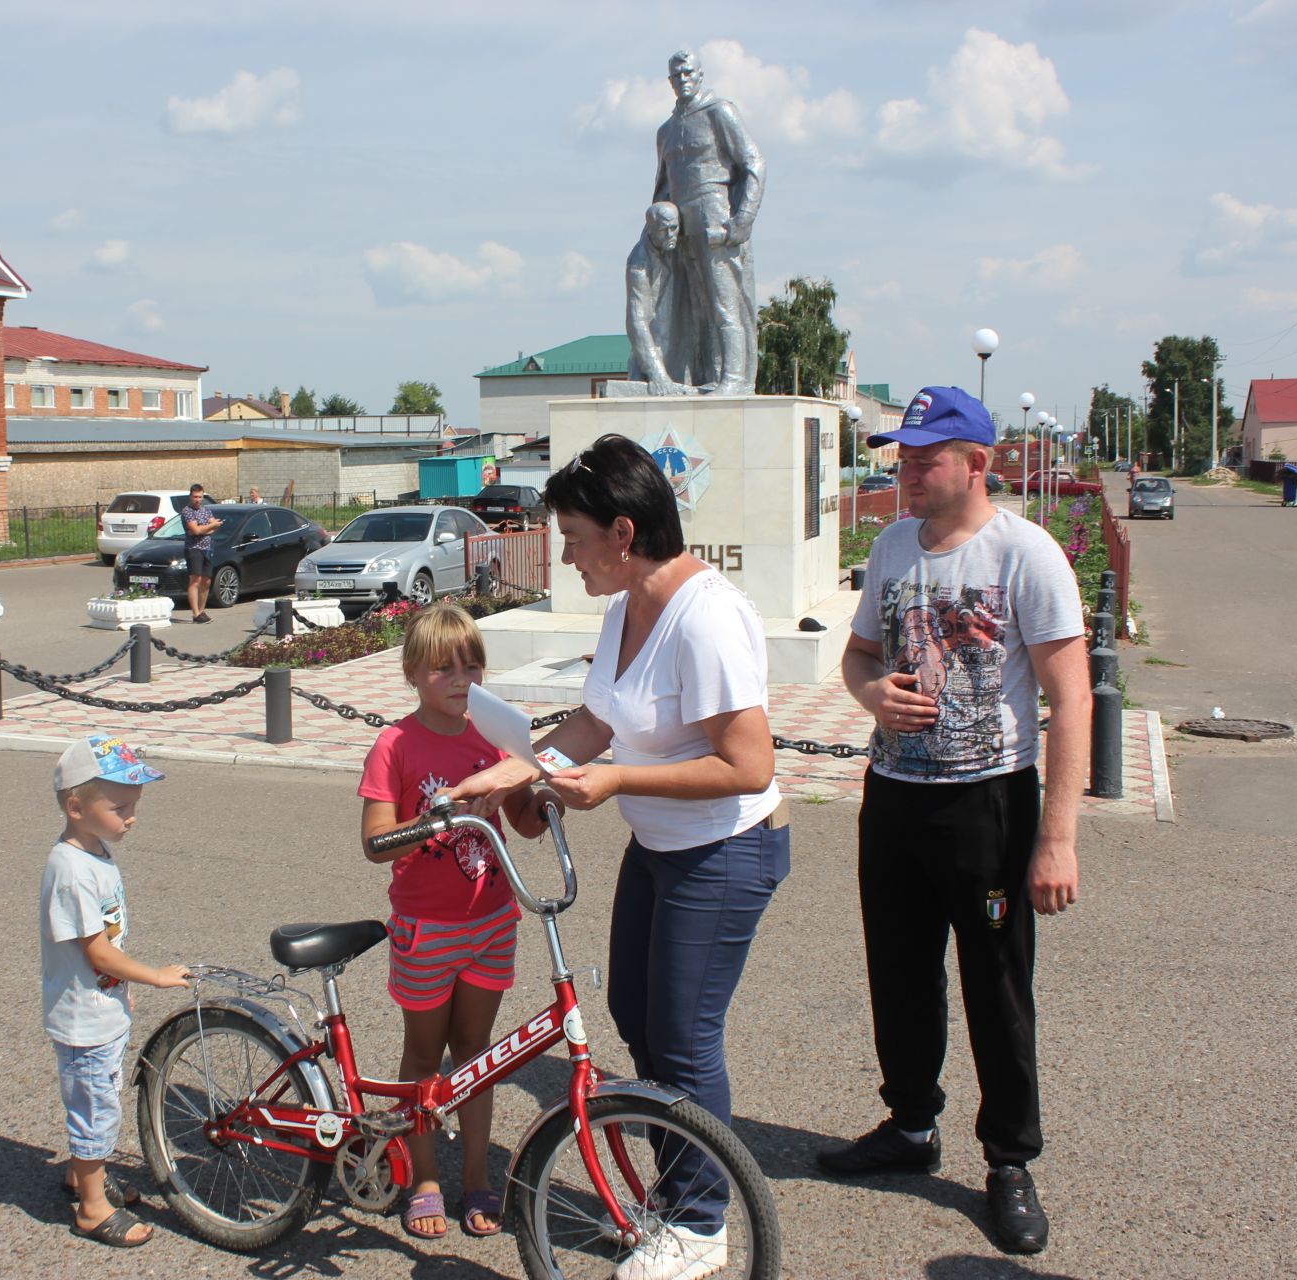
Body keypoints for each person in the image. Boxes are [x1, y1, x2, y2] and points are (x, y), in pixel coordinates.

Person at [449, 433, 786, 1279]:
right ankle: (674, 1200)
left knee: (681, 1035)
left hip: (727, 850)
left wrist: (615, 781)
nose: (567, 558)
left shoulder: (704, 618)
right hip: (662, 847)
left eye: (573, 539)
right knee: (639, 1020)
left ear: (624, 533)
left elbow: (750, 765)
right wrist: (521, 766)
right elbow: (595, 723)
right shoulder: (624, 608)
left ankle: (700, 1227)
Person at [818, 385, 1087, 1257]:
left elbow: (1071, 701)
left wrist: (1057, 838)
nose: (907, 472)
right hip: (895, 796)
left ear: (980, 462)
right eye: (901, 458)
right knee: (898, 973)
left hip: (988, 804)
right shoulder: (895, 547)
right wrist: (871, 694)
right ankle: (910, 1123)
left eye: (925, 459)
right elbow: (861, 654)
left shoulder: (1026, 555)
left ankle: (1009, 1160)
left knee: (995, 987)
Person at [357, 604, 549, 1242]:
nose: (461, 679)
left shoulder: (493, 738)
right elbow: (375, 841)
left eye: (472, 665)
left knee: (476, 1057)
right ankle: (425, 1177)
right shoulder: (396, 744)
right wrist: (439, 815)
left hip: (492, 919)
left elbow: (525, 822)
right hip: (425, 927)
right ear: (414, 672)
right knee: (424, 1054)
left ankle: (475, 1177)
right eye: (444, 668)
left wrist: (545, 787)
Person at [40, 734, 190, 1248]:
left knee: (97, 1098)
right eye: (120, 806)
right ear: (76, 806)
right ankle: (91, 1206)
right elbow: (98, 953)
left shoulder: (93, 850)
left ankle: (83, 1174)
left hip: (100, 1008)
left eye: (135, 805)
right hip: (84, 1017)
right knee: (96, 1105)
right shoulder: (71, 869)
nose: (131, 816)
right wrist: (155, 974)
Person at [653, 50, 765, 396]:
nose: (683, 80)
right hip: (680, 227)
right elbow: (663, 184)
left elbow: (754, 164)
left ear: (700, 75)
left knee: (724, 302)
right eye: (676, 75)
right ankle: (711, 375)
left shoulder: (720, 112)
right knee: (696, 308)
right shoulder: (667, 130)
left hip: (716, 217)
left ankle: (734, 377)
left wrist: (742, 220)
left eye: (688, 73)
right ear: (670, 81)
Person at [626, 201, 685, 395]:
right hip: (654, 351)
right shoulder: (638, 264)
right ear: (651, 230)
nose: (670, 235)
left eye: (674, 228)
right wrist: (657, 373)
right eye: (663, 230)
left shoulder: (677, 245)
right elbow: (637, 322)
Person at [179, 484, 222, 623]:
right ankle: (196, 614)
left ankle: (202, 611)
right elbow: (195, 531)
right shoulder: (187, 511)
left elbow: (214, 527)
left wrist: (204, 529)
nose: (198, 499)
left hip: (207, 548)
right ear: (190, 497)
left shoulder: (206, 510)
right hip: (193, 548)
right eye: (195, 497)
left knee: (207, 580)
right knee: (195, 580)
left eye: (200, 497)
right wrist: (206, 528)